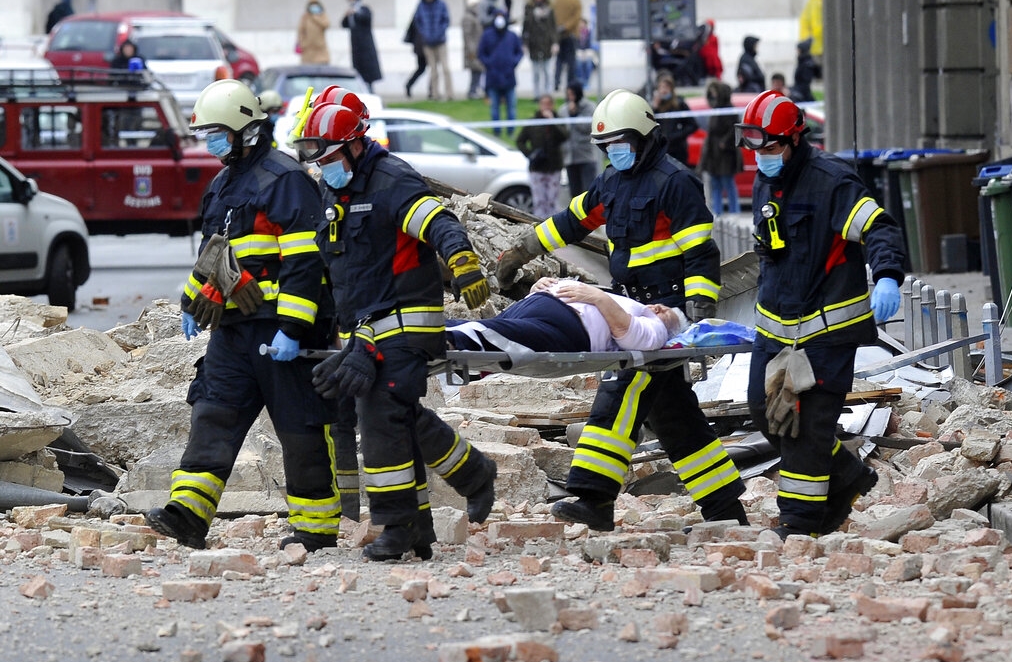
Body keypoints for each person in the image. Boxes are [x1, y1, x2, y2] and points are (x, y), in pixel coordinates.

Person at [494, 89, 749, 532]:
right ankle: (725, 508)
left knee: (621, 393)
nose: (615, 153)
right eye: (607, 147)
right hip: (629, 303)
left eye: (621, 144)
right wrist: (520, 251)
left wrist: (698, 310)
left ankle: (594, 497)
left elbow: (699, 251)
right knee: (674, 416)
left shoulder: (676, 182)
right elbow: (570, 221)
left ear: (645, 138)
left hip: (663, 313)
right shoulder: (611, 181)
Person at [294, 99, 498, 561]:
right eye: (318, 162)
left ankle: (396, 525)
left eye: (329, 159)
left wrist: (462, 262)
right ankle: (449, 498)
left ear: (355, 146)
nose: (324, 169)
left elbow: (438, 221)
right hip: (363, 331)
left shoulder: (391, 181)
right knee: (397, 414)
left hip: (407, 323)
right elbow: (335, 268)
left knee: (382, 414)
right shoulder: (334, 191)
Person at [144, 80, 342, 553]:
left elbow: (305, 262)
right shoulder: (222, 184)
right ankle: (187, 514)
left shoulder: (286, 180)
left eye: (217, 131)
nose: (210, 141)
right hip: (233, 330)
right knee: (212, 413)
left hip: (282, 331)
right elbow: (215, 255)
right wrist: (193, 303)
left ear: (243, 130)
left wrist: (293, 330)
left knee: (300, 429)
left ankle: (316, 529)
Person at [735, 91, 906, 540]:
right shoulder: (766, 181)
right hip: (776, 330)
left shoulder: (832, 182)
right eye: (755, 148)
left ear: (794, 140)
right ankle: (847, 477)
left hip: (827, 333)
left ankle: (800, 522)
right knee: (766, 413)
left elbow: (879, 228)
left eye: (770, 148)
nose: (762, 157)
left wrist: (887, 274)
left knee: (809, 425)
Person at [447, 277, 686, 354]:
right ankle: (429, 331)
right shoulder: (628, 303)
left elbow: (632, 336)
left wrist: (597, 297)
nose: (656, 308)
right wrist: (541, 286)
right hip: (540, 305)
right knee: (485, 328)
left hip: (568, 328)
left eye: (664, 313)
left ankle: (440, 337)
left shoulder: (657, 331)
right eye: (659, 305)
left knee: (496, 335)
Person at [516, 93, 568, 218]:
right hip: (537, 167)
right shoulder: (533, 122)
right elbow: (520, 141)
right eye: (543, 104)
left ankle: (553, 224)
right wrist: (530, 154)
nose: (546, 107)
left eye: (548, 104)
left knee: (552, 200)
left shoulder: (558, 120)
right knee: (539, 201)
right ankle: (539, 222)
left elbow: (565, 136)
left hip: (554, 167)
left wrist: (552, 122)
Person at [697, 80, 741, 215]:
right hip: (713, 154)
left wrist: (724, 142)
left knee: (728, 183)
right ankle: (717, 212)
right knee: (715, 184)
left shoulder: (729, 110)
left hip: (725, 154)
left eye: (715, 92)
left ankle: (734, 212)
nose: (713, 95)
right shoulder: (715, 110)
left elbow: (734, 130)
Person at [477, 9, 523, 138]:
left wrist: (513, 63)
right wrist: (489, 64)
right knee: (495, 108)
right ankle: (496, 131)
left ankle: (511, 131)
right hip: (493, 77)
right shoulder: (487, 35)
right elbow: (481, 53)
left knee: (511, 107)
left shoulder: (512, 36)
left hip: (509, 77)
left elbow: (519, 52)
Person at [557, 80, 602, 197]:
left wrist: (574, 115)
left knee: (588, 191)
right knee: (574, 193)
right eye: (568, 94)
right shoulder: (563, 109)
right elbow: (561, 130)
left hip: (586, 155)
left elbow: (587, 127)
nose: (570, 97)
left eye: (572, 94)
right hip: (570, 156)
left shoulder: (589, 107)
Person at [650, 70, 698, 169]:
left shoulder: (679, 104)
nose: (664, 90)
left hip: (678, 149)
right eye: (661, 87)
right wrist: (654, 108)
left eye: (667, 87)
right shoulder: (657, 106)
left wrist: (676, 135)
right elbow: (650, 124)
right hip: (662, 149)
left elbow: (692, 125)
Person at [413, 0, 454, 101]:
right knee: (433, 70)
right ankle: (435, 94)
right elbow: (418, 22)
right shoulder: (421, 6)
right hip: (428, 43)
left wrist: (439, 33)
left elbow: (446, 21)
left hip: (441, 42)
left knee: (445, 68)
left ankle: (449, 94)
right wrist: (425, 35)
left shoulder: (441, 4)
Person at [341, 0, 382, 94]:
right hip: (356, 45)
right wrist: (347, 15)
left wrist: (356, 12)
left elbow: (366, 18)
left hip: (366, 45)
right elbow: (344, 24)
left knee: (368, 68)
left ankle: (370, 88)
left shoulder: (364, 9)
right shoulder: (350, 12)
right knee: (357, 68)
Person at [521, 0, 557, 100]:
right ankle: (537, 94)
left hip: (546, 44)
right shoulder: (529, 10)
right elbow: (526, 27)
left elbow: (553, 28)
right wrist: (524, 43)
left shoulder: (549, 11)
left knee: (547, 71)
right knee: (536, 72)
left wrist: (555, 43)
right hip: (534, 45)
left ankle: (548, 93)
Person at [552, 0, 582, 92]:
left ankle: (556, 82)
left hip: (558, 34)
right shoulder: (575, 0)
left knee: (559, 60)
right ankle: (570, 84)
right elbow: (577, 17)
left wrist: (559, 28)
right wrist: (566, 26)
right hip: (571, 33)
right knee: (571, 62)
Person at [462, 0, 485, 99]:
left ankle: (475, 90)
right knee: (475, 71)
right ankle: (472, 91)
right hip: (472, 50)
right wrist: (472, 51)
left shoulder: (476, 17)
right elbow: (467, 36)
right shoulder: (468, 18)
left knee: (478, 71)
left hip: (477, 48)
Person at [403, 17, 431, 99]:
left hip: (420, 46)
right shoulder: (421, 15)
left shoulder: (419, 14)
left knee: (422, 69)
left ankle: (409, 84)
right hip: (423, 46)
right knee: (424, 69)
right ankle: (431, 90)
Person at [296, 0, 330, 65]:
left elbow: (326, 25)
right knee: (308, 67)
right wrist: (302, 43)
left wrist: (315, 17)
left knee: (322, 65)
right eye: (312, 5)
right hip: (308, 47)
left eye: (315, 4)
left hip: (320, 46)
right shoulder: (305, 17)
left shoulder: (322, 15)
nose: (314, 7)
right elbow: (301, 31)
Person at [799, 0, 824, 76]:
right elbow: (817, 24)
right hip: (817, 45)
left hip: (813, 44)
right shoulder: (818, 2)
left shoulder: (813, 0)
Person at [574, 16, 597, 90]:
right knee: (579, 64)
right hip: (578, 52)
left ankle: (586, 82)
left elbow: (590, 45)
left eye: (582, 23)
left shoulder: (589, 33)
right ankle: (581, 82)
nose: (581, 25)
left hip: (587, 52)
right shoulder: (576, 34)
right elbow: (575, 45)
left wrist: (585, 52)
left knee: (588, 64)